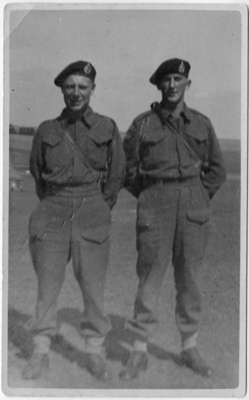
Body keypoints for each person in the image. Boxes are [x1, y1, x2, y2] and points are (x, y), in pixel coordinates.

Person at [121, 58, 226, 380]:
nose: (172, 85)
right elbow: (127, 170)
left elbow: (217, 169)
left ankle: (189, 346)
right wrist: (152, 194)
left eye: (178, 78)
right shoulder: (142, 125)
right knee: (149, 276)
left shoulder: (202, 124)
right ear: (158, 84)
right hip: (156, 202)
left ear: (187, 84)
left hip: (193, 203)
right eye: (166, 80)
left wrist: (195, 194)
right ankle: (139, 350)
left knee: (189, 279)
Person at [22, 60, 125, 381]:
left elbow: (117, 173)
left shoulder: (107, 127)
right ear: (62, 90)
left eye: (83, 86)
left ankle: (94, 352)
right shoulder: (47, 130)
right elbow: (38, 173)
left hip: (92, 208)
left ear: (93, 89)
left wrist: (98, 205)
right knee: (47, 285)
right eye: (70, 87)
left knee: (93, 286)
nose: (76, 93)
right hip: (52, 208)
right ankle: (40, 350)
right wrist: (56, 201)